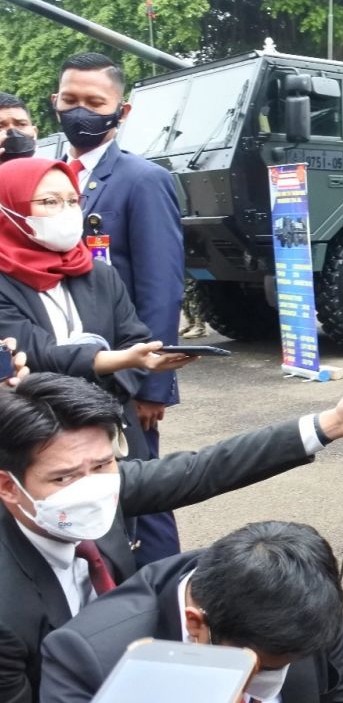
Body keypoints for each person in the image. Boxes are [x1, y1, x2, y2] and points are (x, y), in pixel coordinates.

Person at [0, 371, 343, 702]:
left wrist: (328, 424)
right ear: (8, 486)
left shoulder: (98, 490)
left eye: (103, 464)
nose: (89, 488)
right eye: (64, 477)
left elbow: (204, 469)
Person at [53, 52, 185, 565]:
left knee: (143, 495)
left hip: (125, 377)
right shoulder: (51, 178)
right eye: (71, 101)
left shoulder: (142, 179)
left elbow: (160, 285)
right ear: (55, 103)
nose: (81, 111)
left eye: (94, 103)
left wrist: (153, 385)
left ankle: (164, 598)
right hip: (64, 369)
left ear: (121, 111)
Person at [39, 521, 343, 703]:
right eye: (264, 668)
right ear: (195, 623)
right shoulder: (87, 659)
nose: (272, 679)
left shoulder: (306, 597)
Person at [0, 157, 190, 467]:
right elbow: (39, 354)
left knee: (136, 508)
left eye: (73, 200)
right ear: (10, 208)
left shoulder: (97, 273)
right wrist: (119, 360)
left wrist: (117, 387)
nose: (67, 211)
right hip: (35, 440)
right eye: (50, 201)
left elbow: (134, 337)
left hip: (111, 431)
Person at [0, 93, 37, 163]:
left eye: (22, 124)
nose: (14, 132)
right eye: (0, 127)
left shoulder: (55, 171)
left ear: (35, 132)